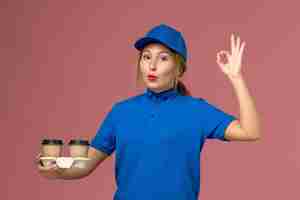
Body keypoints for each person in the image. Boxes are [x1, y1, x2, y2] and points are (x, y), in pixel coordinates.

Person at [37, 24, 261, 200]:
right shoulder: (121, 112)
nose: (152, 65)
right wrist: (57, 170)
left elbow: (250, 131)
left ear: (179, 68)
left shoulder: (197, 110)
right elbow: (85, 165)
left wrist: (236, 78)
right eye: (146, 57)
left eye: (163, 58)